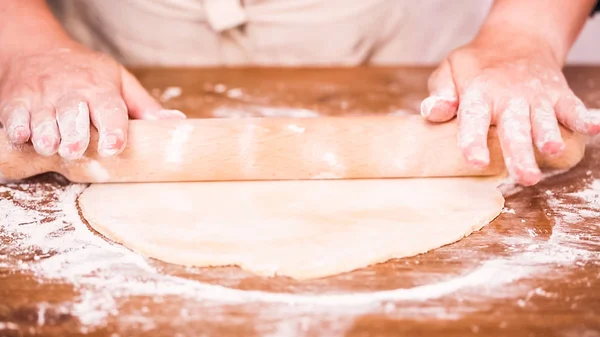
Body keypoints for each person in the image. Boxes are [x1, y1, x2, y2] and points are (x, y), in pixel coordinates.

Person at [1, 0, 599, 186]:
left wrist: (524, 32)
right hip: (107, 25)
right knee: (70, 127)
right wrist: (27, 42)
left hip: (383, 25)